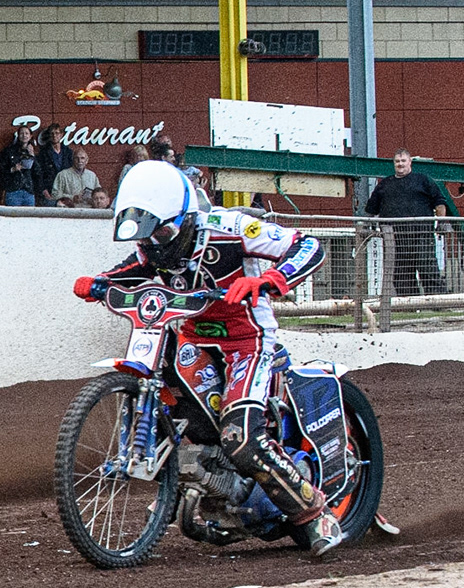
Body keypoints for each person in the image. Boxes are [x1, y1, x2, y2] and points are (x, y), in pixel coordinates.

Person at [74, 161, 341, 556]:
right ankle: (180, 487)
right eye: (149, 237)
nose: (155, 244)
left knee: (241, 435)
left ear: (183, 218)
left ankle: (315, 513)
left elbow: (307, 246)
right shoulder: (153, 245)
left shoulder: (232, 228)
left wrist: (270, 279)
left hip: (248, 340)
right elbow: (140, 267)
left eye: (162, 232)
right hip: (192, 335)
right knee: (175, 405)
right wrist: (101, 281)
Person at [364, 149, 452, 297]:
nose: (400, 164)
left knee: (427, 267)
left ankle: (437, 303)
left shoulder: (423, 180)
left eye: (403, 161)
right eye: (397, 161)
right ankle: (409, 305)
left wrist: (442, 222)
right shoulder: (384, 184)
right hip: (394, 237)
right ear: (393, 164)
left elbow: (440, 202)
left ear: (410, 162)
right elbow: (372, 208)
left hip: (421, 233)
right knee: (400, 273)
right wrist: (366, 225)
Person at [0, 124, 38, 206]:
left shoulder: (33, 151)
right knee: (14, 217)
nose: (24, 136)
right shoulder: (9, 151)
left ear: (30, 136)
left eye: (26, 133)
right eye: (22, 133)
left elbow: (37, 171)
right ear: (18, 135)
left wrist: (32, 155)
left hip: (28, 191)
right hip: (13, 191)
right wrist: (12, 169)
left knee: (29, 217)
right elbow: (0, 169)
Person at [34, 124, 71, 207]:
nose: (54, 136)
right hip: (50, 189)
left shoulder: (68, 152)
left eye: (57, 133)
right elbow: (38, 173)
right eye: (52, 133)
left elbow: (72, 171)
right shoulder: (43, 153)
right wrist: (43, 189)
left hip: (66, 190)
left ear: (61, 135)